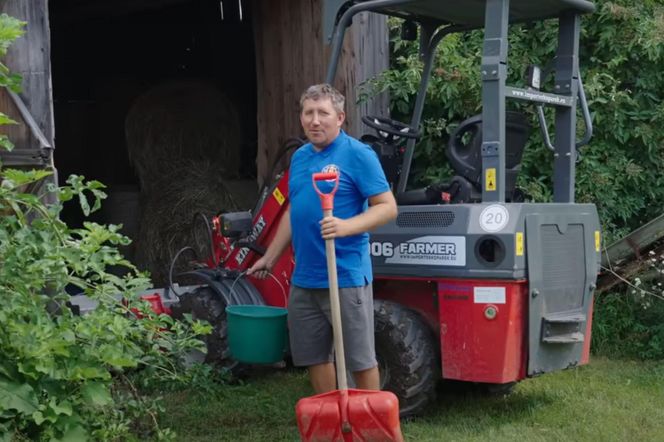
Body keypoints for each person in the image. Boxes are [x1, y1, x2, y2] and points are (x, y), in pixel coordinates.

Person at [247, 83, 397, 393]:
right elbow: (294, 213)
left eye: (323, 113)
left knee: (360, 359)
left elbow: (387, 208)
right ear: (301, 118)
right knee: (315, 357)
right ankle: (333, 423)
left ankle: (371, 424)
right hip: (305, 279)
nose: (315, 120)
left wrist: (346, 226)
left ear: (340, 117)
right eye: (308, 113)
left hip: (344, 276)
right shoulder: (300, 158)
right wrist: (270, 256)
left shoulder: (358, 155)